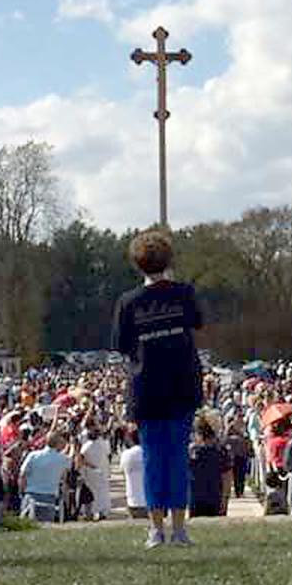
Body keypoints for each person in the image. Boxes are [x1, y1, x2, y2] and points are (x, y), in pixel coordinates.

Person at [111, 229, 205, 549]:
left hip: (146, 387)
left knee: (153, 459)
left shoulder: (128, 302)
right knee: (177, 458)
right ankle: (179, 530)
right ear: (168, 260)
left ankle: (155, 530)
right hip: (182, 385)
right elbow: (198, 322)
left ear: (137, 264)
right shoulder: (184, 293)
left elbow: (121, 345)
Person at [118, 435, 147, 518]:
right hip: (149, 503)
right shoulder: (149, 452)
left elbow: (121, 470)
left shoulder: (126, 454)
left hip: (132, 502)